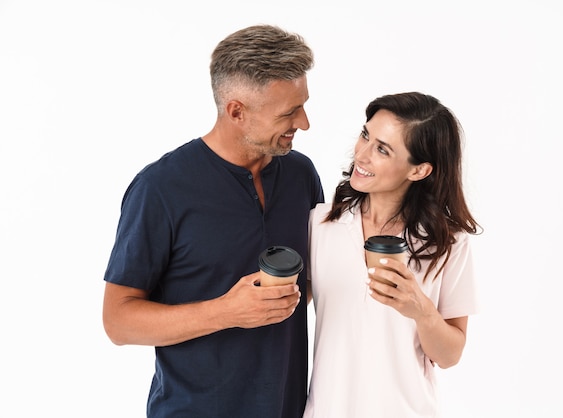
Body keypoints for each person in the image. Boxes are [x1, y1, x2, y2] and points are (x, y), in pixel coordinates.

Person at [102, 25, 324, 417]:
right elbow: (118, 321)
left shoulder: (300, 175)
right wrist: (227, 311)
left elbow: (307, 284)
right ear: (236, 111)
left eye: (303, 105)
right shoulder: (161, 188)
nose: (303, 123)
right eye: (289, 112)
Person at [304, 92, 480, 417]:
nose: (362, 154)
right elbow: (289, 313)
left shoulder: (448, 243)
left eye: (382, 149)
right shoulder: (321, 223)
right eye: (365, 135)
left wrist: (422, 311)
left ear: (418, 170)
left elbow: (449, 355)